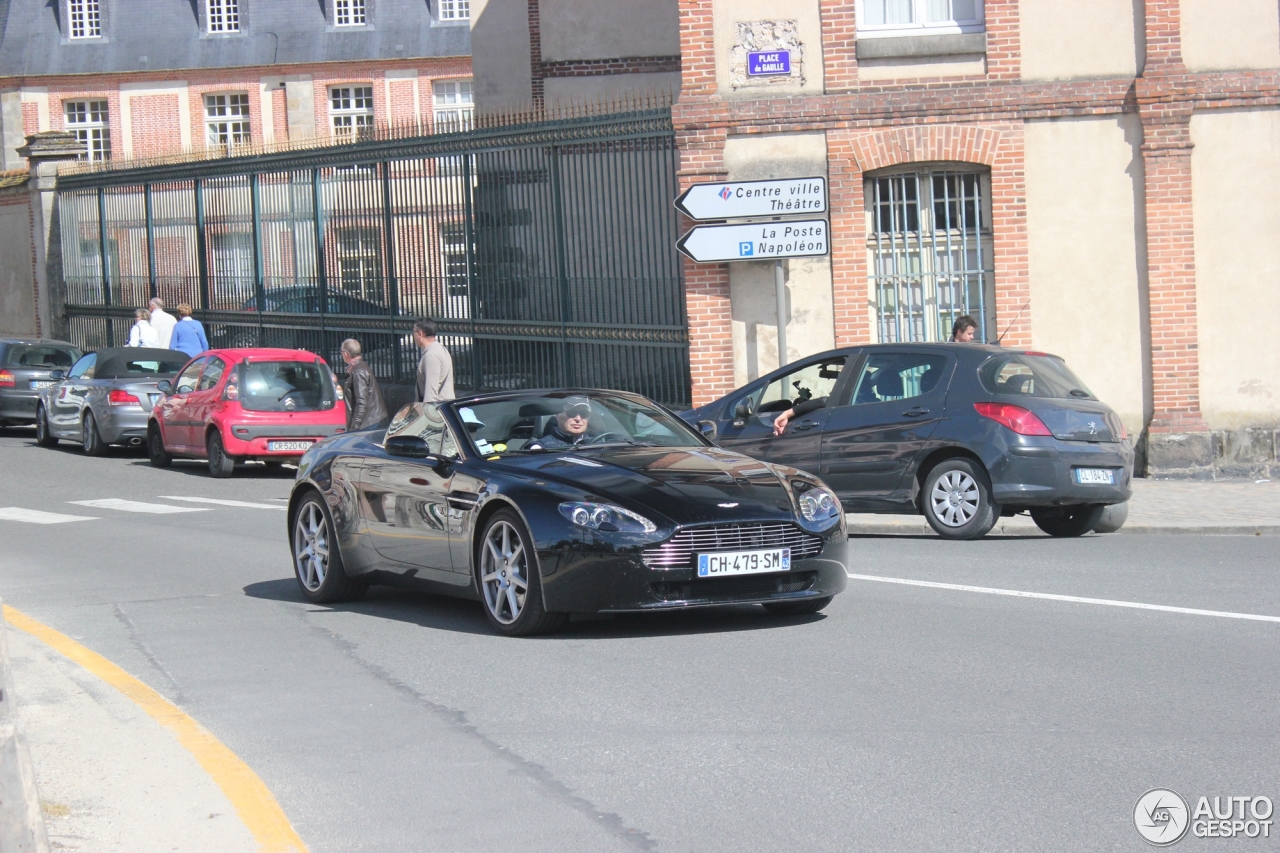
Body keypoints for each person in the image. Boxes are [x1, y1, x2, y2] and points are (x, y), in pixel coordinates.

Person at [339, 338, 388, 431]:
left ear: (346, 354)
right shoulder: (361, 366)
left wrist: (354, 428)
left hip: (369, 423)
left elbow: (361, 403)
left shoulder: (358, 371)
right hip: (372, 420)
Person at [413, 318, 454, 403]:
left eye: (414, 332)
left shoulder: (431, 355)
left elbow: (431, 392)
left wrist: (426, 413)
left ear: (420, 334)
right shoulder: (440, 349)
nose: (413, 336)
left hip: (437, 410)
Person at [529, 396, 594, 450]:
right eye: (572, 412)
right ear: (558, 415)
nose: (578, 419)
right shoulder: (541, 448)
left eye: (584, 413)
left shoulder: (599, 444)